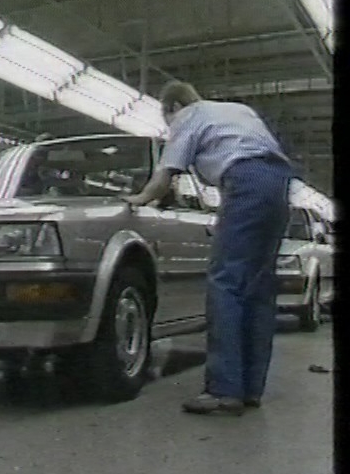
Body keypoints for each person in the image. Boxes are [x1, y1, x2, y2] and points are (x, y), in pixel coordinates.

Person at [123, 80, 297, 415]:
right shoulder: (236, 110)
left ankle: (224, 390)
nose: (169, 125)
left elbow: (164, 177)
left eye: (166, 118)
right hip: (278, 184)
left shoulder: (187, 117)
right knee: (258, 288)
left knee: (225, 283)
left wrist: (138, 198)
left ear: (173, 107)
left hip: (245, 182)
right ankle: (250, 389)